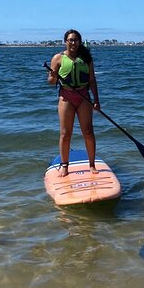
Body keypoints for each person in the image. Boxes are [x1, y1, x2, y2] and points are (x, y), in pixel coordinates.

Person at [47, 29, 101, 177]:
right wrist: (53, 76)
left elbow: (91, 81)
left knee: (88, 132)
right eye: (70, 40)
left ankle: (91, 164)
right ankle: (65, 166)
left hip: (83, 97)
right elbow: (51, 83)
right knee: (65, 134)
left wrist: (96, 100)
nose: (73, 42)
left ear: (79, 42)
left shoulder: (86, 58)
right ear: (65, 41)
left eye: (76, 40)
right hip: (66, 97)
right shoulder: (58, 58)